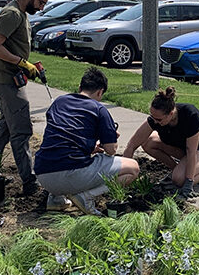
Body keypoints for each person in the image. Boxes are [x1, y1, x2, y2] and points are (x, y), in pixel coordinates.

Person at [34, 67, 140, 215]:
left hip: (43, 174)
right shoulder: (99, 109)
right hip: (70, 174)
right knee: (133, 168)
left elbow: (63, 137)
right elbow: (111, 150)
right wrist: (109, 138)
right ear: (100, 92)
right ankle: (85, 197)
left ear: (80, 87)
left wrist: (90, 147)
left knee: (67, 155)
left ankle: (56, 200)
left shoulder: (59, 102)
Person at [0, 0, 51, 195]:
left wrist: (29, 64)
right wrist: (21, 62)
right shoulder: (11, 14)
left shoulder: (21, 13)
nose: (41, 8)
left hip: (11, 76)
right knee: (21, 130)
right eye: (40, 3)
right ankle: (29, 182)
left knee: (5, 130)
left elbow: (13, 45)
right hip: (6, 79)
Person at [122, 86, 199, 197]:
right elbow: (132, 145)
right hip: (184, 147)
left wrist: (188, 183)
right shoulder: (156, 119)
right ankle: (178, 170)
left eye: (158, 119)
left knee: (178, 180)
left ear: (171, 114)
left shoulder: (190, 115)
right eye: (152, 116)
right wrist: (125, 170)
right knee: (148, 142)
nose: (154, 121)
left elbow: (191, 151)